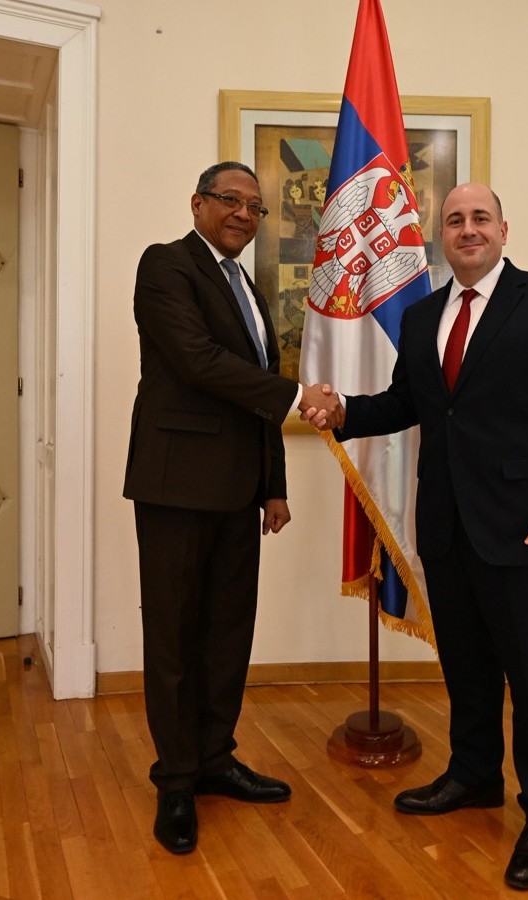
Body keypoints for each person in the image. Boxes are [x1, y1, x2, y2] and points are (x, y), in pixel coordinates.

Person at [310, 183, 528, 890]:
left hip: (527, 530)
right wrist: (344, 409)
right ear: (441, 236)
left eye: (480, 218)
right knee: (467, 669)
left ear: (503, 229)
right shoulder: (422, 316)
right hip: (445, 524)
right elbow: (406, 403)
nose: (468, 230)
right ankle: (474, 775)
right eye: (455, 221)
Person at [124, 161, 341, 855]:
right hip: (176, 486)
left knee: (226, 632)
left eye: (255, 206)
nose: (244, 214)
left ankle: (215, 758)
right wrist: (299, 396)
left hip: (239, 491)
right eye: (230, 200)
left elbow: (256, 393)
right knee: (174, 636)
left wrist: (273, 484)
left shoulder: (247, 285)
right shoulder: (166, 266)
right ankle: (176, 780)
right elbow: (196, 360)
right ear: (198, 203)